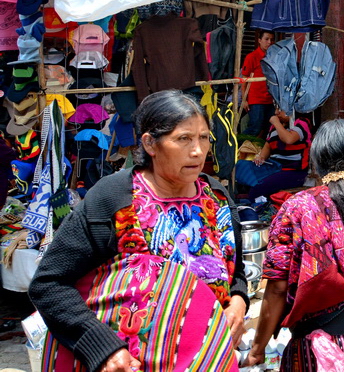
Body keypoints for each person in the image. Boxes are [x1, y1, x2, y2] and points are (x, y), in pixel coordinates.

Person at [30, 90, 247, 372]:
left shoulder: (217, 198)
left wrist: (239, 301)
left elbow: (236, 271)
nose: (197, 151)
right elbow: (49, 284)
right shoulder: (115, 199)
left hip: (204, 358)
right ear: (150, 144)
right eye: (183, 139)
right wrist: (103, 349)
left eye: (203, 138)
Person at [243, 119, 344, 372]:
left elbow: (276, 289)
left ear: (317, 161)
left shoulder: (298, 207)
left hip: (321, 351)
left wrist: (257, 348)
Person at [234, 107, 312, 202]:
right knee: (241, 166)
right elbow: (268, 145)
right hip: (273, 166)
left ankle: (253, 203)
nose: (276, 112)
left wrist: (276, 123)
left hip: (293, 171)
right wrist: (261, 157)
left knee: (260, 187)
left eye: (281, 109)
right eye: (276, 109)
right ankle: (248, 194)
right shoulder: (274, 127)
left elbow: (288, 139)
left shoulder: (301, 123)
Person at [241, 29, 275, 137]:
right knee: (255, 128)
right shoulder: (252, 57)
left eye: (271, 40)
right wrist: (244, 99)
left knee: (268, 128)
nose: (269, 42)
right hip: (256, 99)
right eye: (266, 39)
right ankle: (236, 144)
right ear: (259, 40)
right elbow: (244, 79)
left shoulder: (273, 57)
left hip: (270, 99)